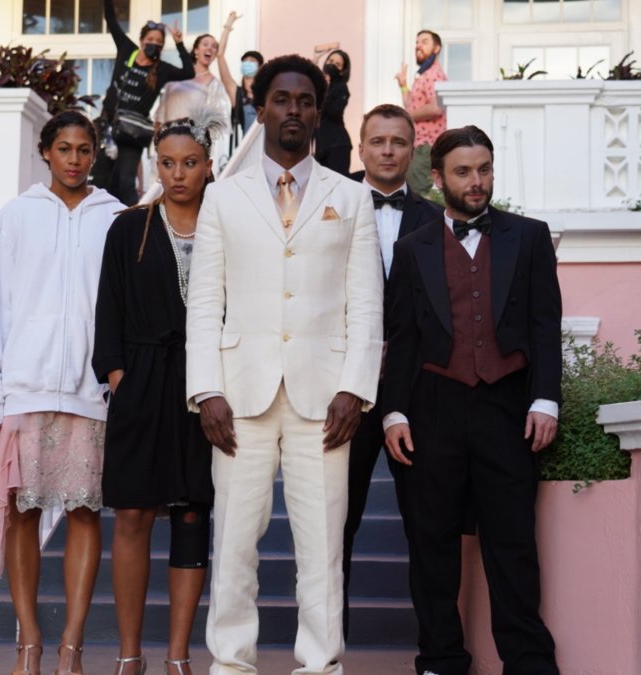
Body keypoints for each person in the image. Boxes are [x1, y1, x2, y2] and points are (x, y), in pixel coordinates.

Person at [185, 54, 383, 675]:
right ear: (261, 107)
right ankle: (231, 661)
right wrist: (204, 392)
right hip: (237, 397)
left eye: (304, 100)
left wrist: (355, 389)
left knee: (321, 545)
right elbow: (205, 302)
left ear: (317, 113)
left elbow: (366, 305)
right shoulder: (223, 196)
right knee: (235, 541)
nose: (292, 110)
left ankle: (320, 663)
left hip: (325, 401)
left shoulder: (350, 197)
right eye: (281, 99)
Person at [381, 125, 562, 675]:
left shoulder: (529, 237)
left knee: (511, 544)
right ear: (437, 179)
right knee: (431, 543)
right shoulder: (410, 250)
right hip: (432, 405)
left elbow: (544, 325)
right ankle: (440, 659)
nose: (476, 181)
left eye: (484, 169)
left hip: (506, 405)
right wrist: (394, 411)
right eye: (463, 171)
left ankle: (528, 662)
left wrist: (545, 401)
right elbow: (401, 337)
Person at [0, 110, 124, 675]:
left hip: (90, 391)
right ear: (46, 152)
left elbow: (122, 307)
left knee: (85, 512)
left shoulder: (117, 218)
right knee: (20, 512)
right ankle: (29, 642)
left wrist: (116, 381)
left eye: (85, 149)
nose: (75, 159)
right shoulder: (17, 217)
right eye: (64, 148)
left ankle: (71, 647)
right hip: (25, 389)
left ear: (95, 153)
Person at [94, 110, 227, 675]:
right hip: (143, 383)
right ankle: (130, 654)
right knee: (132, 516)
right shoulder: (130, 227)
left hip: (207, 388)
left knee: (194, 514)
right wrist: (121, 381)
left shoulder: (230, 225)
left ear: (208, 166)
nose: (178, 174)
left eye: (190, 163)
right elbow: (108, 315)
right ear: (154, 164)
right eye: (167, 163)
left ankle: (178, 655)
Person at [340, 103, 444, 638]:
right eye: (377, 141)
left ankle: (437, 654)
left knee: (428, 528)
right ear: (361, 147)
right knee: (334, 528)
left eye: (398, 142)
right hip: (344, 395)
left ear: (412, 149)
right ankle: (324, 653)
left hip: (416, 397)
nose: (386, 151)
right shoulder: (329, 208)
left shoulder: (435, 220)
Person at [93, 0, 195, 206]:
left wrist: (179, 43)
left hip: (133, 132)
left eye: (159, 42)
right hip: (107, 128)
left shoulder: (162, 69)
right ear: (141, 40)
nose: (154, 45)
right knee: (100, 180)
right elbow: (110, 20)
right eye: (150, 40)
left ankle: (131, 227)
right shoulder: (126, 50)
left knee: (125, 183)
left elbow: (188, 72)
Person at [154, 34, 232, 169]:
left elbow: (217, 123)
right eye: (206, 44)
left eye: (214, 47)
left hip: (190, 146)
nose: (210, 48)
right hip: (167, 141)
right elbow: (160, 114)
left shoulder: (215, 85)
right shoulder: (177, 77)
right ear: (196, 50)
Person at [395, 30, 447, 195]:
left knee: (417, 195)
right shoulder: (424, 75)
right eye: (417, 42)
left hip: (427, 146)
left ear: (436, 48)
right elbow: (411, 106)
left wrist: (406, 117)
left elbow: (435, 107)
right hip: (419, 145)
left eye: (424, 42)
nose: (418, 45)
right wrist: (403, 85)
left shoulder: (434, 74)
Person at [215, 12, 261, 142]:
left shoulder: (266, 94)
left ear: (260, 66)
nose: (247, 63)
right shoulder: (237, 93)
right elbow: (220, 56)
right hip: (244, 152)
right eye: (245, 61)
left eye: (252, 60)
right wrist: (228, 25)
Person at [314, 49, 353, 176]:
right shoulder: (319, 85)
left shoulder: (341, 88)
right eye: (330, 61)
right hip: (321, 146)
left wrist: (326, 89)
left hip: (337, 146)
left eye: (337, 64)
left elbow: (334, 113)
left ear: (342, 71)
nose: (332, 65)